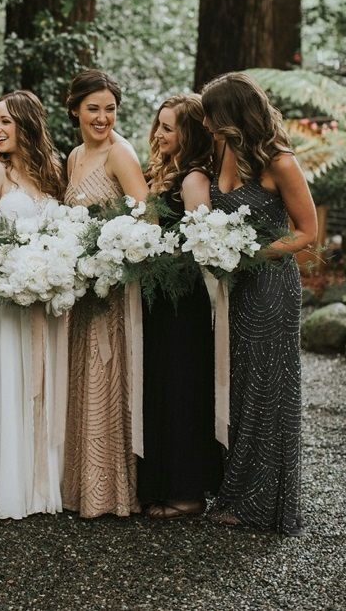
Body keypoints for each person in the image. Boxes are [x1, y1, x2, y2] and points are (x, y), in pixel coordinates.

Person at [201, 72, 317, 534]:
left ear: (232, 115)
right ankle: (234, 489)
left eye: (212, 116)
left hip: (270, 286)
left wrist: (254, 252)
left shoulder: (281, 162)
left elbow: (308, 233)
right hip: (234, 288)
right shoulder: (226, 149)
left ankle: (262, 504)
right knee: (238, 385)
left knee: (268, 389)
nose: (207, 125)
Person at [0, 90, 66, 519]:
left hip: (43, 298)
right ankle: (7, 485)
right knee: (8, 383)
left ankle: (44, 483)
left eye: (5, 121)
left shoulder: (52, 173)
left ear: (27, 123)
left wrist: (53, 266)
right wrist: (11, 265)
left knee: (42, 384)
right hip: (1, 299)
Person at [62, 69, 149, 518]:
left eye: (110, 109)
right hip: (82, 290)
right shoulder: (75, 155)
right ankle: (80, 487)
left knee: (104, 377)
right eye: (93, 109)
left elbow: (146, 221)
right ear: (75, 108)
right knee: (82, 376)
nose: (102, 118)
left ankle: (110, 491)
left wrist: (109, 254)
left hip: (111, 289)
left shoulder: (121, 153)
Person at [137, 94, 223, 519]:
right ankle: (159, 481)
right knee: (159, 387)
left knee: (181, 389)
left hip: (180, 300)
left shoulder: (193, 179)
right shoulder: (163, 172)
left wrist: (152, 249)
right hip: (156, 298)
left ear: (188, 133)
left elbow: (201, 245)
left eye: (168, 128)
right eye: (159, 125)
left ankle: (188, 492)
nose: (159, 134)